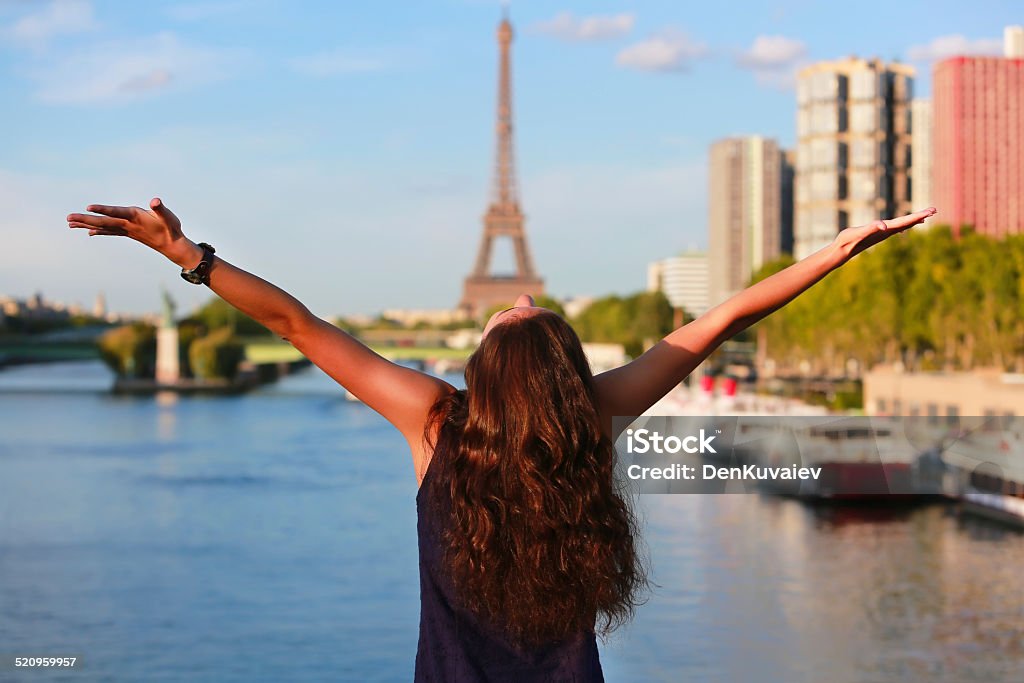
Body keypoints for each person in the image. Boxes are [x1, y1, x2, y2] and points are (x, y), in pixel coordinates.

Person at [67, 199, 937, 681]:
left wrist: (192, 257)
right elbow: (719, 322)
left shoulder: (435, 421)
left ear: (489, 369)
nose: (517, 301)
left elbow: (297, 325)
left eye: (518, 315)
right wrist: (836, 252)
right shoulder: (590, 424)